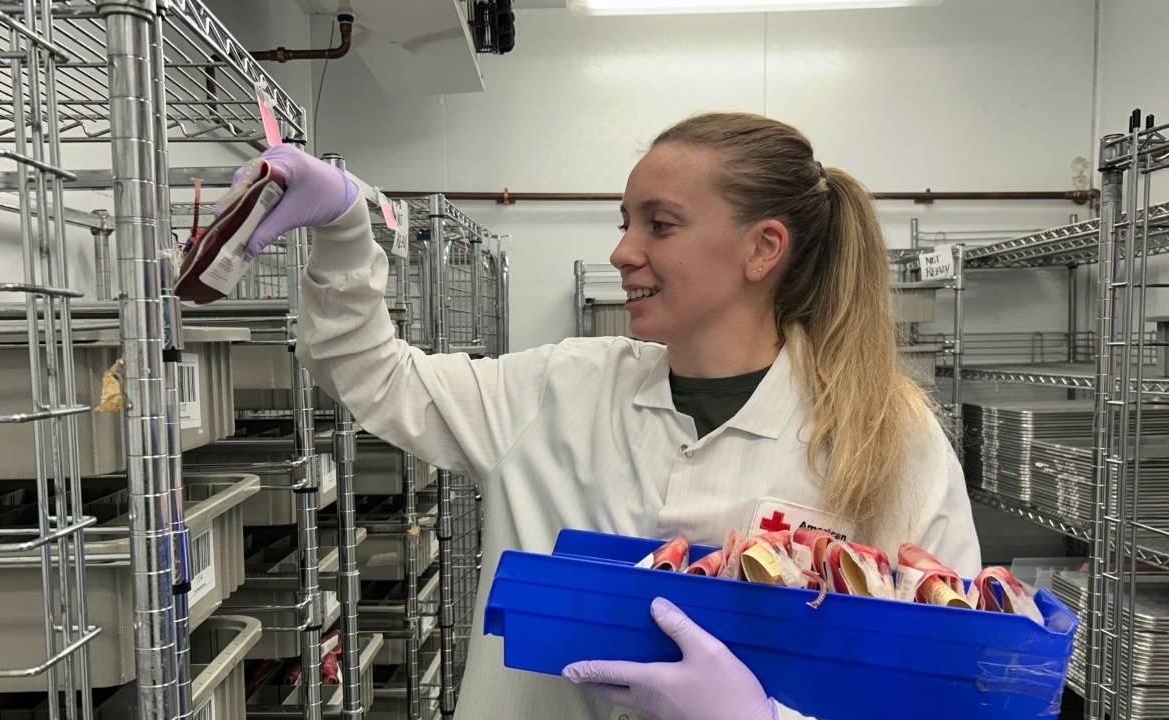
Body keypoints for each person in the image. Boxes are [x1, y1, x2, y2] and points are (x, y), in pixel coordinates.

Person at [232, 112, 980, 720]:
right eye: (625, 222)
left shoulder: (889, 439)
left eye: (661, 225)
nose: (622, 251)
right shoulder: (561, 388)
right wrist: (342, 227)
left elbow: (956, 688)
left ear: (763, 248)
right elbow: (371, 373)